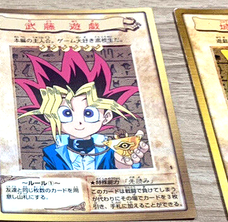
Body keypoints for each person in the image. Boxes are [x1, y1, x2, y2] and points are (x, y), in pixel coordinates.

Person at [15, 49, 149, 171]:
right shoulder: (52, 153)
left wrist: (125, 164)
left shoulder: (111, 150)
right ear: (50, 116)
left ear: (106, 116)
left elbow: (125, 176)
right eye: (66, 113)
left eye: (89, 113)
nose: (79, 122)